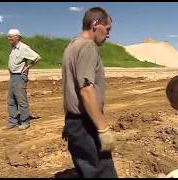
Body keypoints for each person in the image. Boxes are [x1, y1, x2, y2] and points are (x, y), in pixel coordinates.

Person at [61, 7, 118, 178]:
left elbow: (69, 88)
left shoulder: (72, 46)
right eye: (107, 29)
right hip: (86, 124)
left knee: (87, 170)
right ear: (95, 24)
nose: (108, 35)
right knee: (102, 173)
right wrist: (102, 129)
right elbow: (86, 90)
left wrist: (69, 122)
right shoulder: (87, 47)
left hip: (75, 123)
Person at [6, 28, 41, 130]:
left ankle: (25, 122)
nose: (8, 38)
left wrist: (27, 68)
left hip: (19, 77)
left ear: (17, 37)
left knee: (21, 100)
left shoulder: (24, 48)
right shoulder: (12, 48)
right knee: (11, 100)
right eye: (8, 36)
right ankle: (13, 121)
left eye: (10, 36)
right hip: (12, 76)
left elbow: (37, 57)